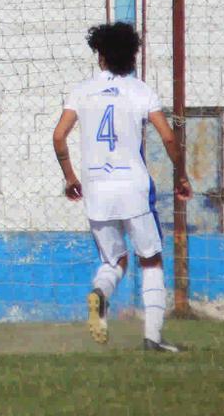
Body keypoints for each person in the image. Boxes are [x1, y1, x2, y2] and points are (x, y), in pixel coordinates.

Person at [52, 22, 193, 352]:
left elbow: (59, 136)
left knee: (114, 261)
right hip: (133, 189)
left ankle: (100, 293)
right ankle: (153, 338)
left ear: (100, 56)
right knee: (151, 260)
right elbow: (168, 136)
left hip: (97, 190)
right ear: (131, 56)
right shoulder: (141, 91)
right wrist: (181, 175)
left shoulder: (82, 91)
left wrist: (71, 178)